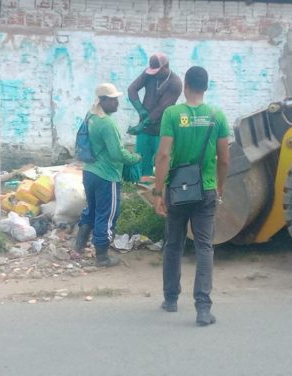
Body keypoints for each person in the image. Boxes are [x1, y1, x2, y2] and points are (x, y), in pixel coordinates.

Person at [152, 66, 230, 326]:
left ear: (185, 85)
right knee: (204, 247)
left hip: (177, 189)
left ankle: (171, 298)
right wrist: (219, 186)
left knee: (173, 244)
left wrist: (158, 191)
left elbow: (163, 155)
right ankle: (203, 308)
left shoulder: (172, 115)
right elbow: (225, 160)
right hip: (206, 188)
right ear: (206, 87)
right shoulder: (217, 116)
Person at [73, 83, 141, 267]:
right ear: (103, 101)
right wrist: (135, 158)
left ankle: (78, 247)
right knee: (107, 214)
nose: (117, 102)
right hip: (106, 175)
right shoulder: (107, 123)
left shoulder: (91, 115)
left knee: (92, 210)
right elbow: (116, 154)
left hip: (89, 172)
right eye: (113, 99)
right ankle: (102, 257)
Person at [127, 52, 182, 182]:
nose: (154, 73)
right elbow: (132, 89)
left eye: (157, 71)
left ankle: (160, 191)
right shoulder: (149, 74)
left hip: (162, 131)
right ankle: (142, 190)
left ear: (165, 67)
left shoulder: (175, 83)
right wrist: (140, 109)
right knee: (141, 161)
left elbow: (162, 108)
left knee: (161, 162)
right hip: (145, 130)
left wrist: (143, 123)